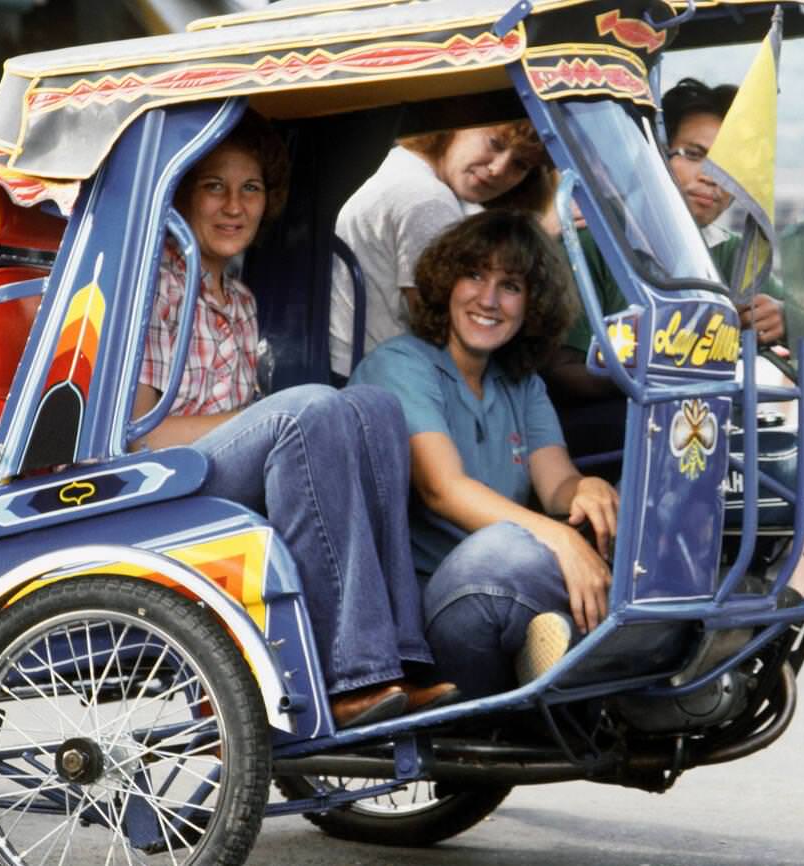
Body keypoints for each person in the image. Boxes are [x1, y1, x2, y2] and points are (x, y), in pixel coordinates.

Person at [135, 111, 455, 729]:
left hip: (220, 472)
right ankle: (347, 674)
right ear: (183, 197)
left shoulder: (241, 299)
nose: (235, 206)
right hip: (164, 486)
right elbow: (143, 436)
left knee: (374, 406)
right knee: (307, 408)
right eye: (214, 188)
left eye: (250, 189)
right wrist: (264, 414)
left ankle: (400, 659)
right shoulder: (158, 286)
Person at [349, 210, 619, 699]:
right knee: (508, 551)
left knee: (615, 521)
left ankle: (566, 645)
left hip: (504, 581)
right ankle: (543, 645)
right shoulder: (400, 365)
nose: (489, 299)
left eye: (510, 285)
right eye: (474, 275)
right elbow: (442, 489)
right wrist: (562, 539)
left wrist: (588, 490)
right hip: (423, 610)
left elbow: (556, 483)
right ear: (446, 284)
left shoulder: (521, 382)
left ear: (531, 304)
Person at [544, 78, 798, 462]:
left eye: (729, 166)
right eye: (695, 154)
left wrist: (784, 317)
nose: (712, 177)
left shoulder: (730, 251)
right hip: (603, 437)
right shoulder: (597, 235)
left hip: (691, 430)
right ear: (658, 154)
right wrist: (660, 364)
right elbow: (561, 372)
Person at [329, 122, 553, 378]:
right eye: (495, 144)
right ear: (455, 126)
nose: (497, 169)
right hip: (384, 381)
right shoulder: (428, 200)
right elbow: (443, 328)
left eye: (520, 165)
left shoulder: (400, 163)